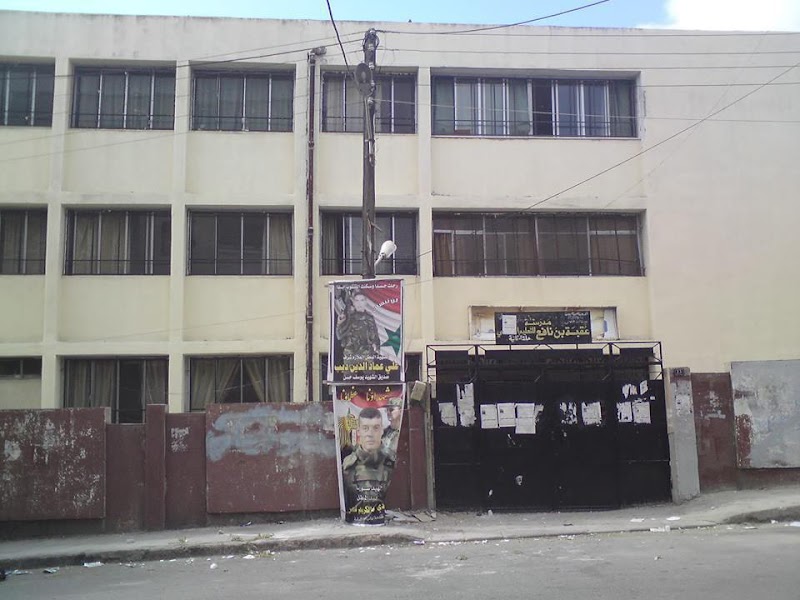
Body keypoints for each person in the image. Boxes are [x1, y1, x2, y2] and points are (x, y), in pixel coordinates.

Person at [341, 407, 395, 512]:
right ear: (358, 432)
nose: (370, 434)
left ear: (382, 430)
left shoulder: (393, 461)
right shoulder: (347, 466)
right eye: (365, 428)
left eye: (375, 428)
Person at [336, 291, 380, 361]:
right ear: (354, 303)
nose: (359, 303)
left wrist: (375, 347)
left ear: (365, 302)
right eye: (357, 300)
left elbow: (376, 338)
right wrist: (339, 324)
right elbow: (339, 336)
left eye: (362, 300)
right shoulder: (348, 318)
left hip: (367, 355)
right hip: (350, 355)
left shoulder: (370, 318)